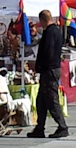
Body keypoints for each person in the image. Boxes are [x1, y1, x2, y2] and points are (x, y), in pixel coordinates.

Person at [27, 9, 71, 138]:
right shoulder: (53, 31)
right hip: (49, 69)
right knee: (41, 100)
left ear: (43, 20)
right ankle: (39, 127)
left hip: (50, 70)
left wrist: (41, 66)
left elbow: (49, 52)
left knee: (52, 100)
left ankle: (62, 126)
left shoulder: (51, 32)